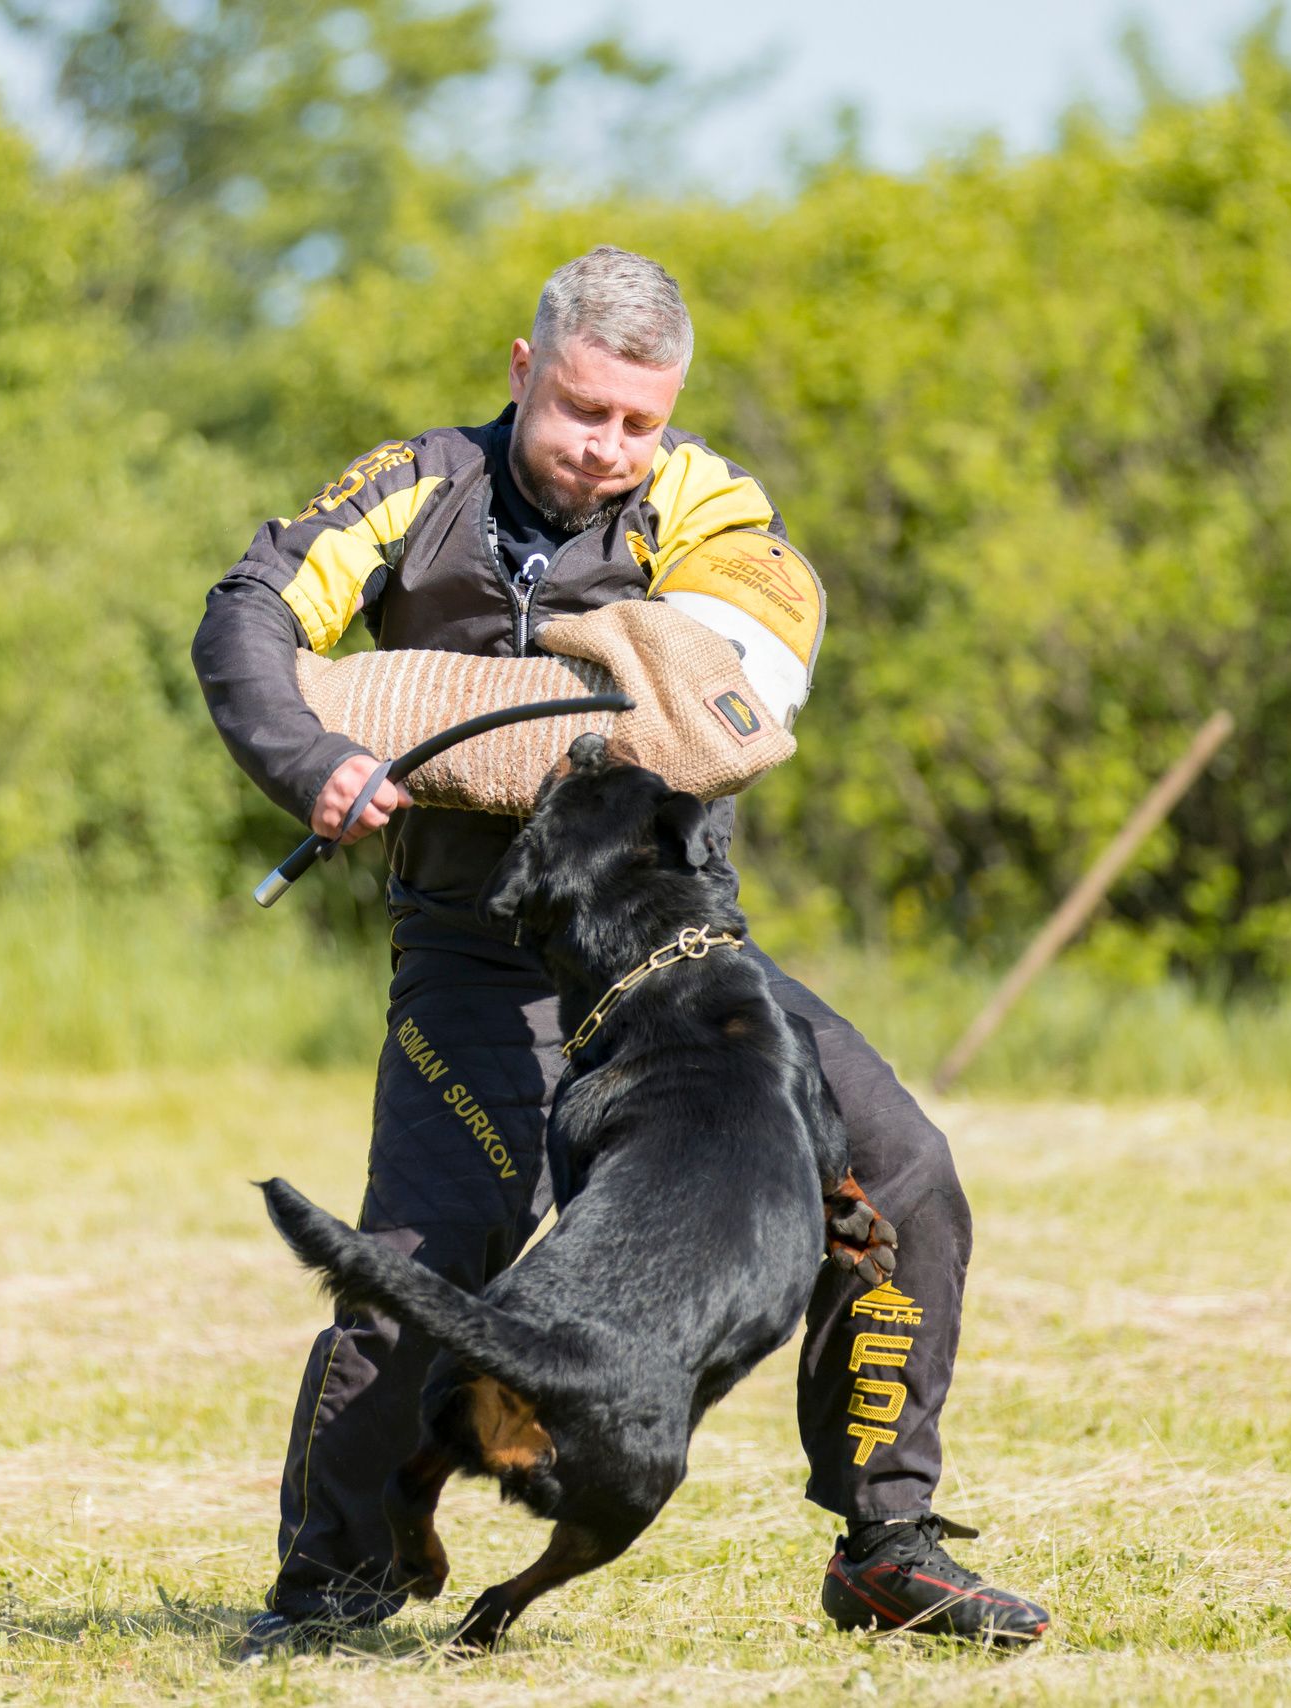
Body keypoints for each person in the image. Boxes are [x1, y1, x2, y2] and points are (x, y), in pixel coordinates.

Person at [193, 246, 1050, 1653]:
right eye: (581, 411)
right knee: (428, 1248)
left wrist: (451, 709)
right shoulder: (417, 485)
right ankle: (332, 1585)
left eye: (638, 423)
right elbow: (249, 619)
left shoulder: (705, 500)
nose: (608, 451)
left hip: (680, 960)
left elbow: (735, 684)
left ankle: (885, 1545)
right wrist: (315, 756)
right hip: (480, 957)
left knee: (908, 1181)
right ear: (525, 370)